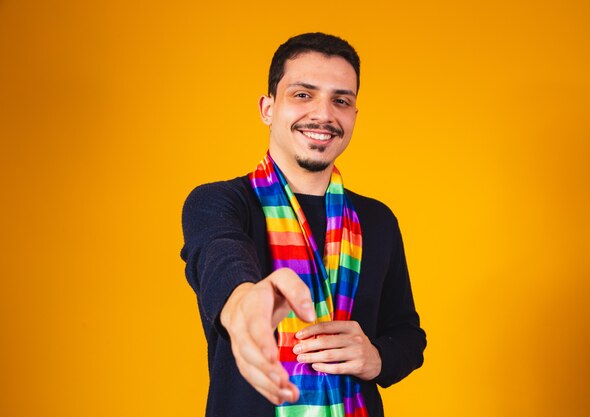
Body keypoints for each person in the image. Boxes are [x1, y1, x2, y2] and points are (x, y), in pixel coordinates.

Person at [181, 32, 426, 417]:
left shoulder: (377, 220)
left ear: (354, 116)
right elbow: (219, 256)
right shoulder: (221, 202)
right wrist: (243, 303)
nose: (324, 114)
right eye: (302, 94)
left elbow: (408, 336)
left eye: (340, 100)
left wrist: (376, 356)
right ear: (268, 108)